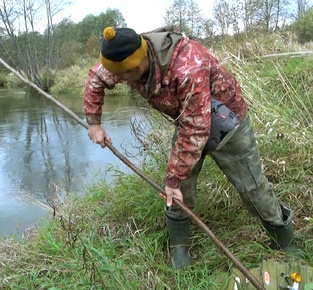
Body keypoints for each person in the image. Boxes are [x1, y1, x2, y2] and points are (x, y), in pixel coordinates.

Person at [83, 26, 297, 269]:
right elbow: (97, 76)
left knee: (252, 186)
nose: (118, 79)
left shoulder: (188, 65)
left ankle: (283, 240)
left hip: (227, 120)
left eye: (121, 77)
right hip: (189, 118)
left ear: (137, 67)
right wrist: (94, 123)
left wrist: (172, 178)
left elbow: (197, 131)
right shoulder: (126, 58)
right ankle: (179, 247)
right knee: (179, 188)